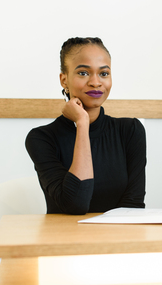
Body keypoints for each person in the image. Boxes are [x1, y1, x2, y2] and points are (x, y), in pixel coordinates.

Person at [25, 37, 146, 215]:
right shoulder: (42, 138)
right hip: (61, 239)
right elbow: (76, 204)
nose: (96, 82)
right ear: (64, 80)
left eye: (104, 73)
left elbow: (133, 206)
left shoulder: (130, 131)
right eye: (83, 73)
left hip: (118, 238)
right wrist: (82, 124)